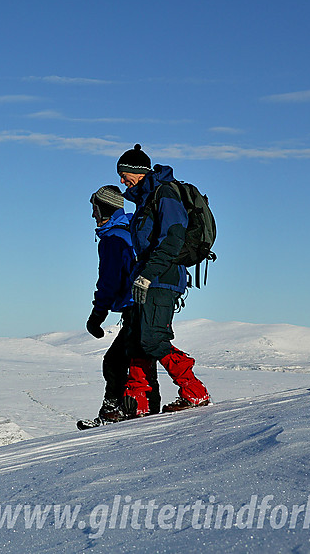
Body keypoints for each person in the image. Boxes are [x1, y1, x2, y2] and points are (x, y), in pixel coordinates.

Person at [117, 144, 211, 413]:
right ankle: (138, 400)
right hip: (146, 278)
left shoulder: (165, 194)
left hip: (162, 278)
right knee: (136, 337)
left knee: (153, 339)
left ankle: (195, 391)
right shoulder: (145, 199)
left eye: (125, 175)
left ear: (139, 172)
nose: (122, 181)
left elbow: (172, 239)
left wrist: (147, 275)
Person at [86, 186, 160, 421]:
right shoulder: (131, 231)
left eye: (94, 209)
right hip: (151, 302)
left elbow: (109, 280)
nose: (92, 215)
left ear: (102, 208)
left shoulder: (112, 239)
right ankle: (148, 408)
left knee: (115, 361)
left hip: (134, 305)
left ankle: (113, 411)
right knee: (142, 357)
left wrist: (97, 315)